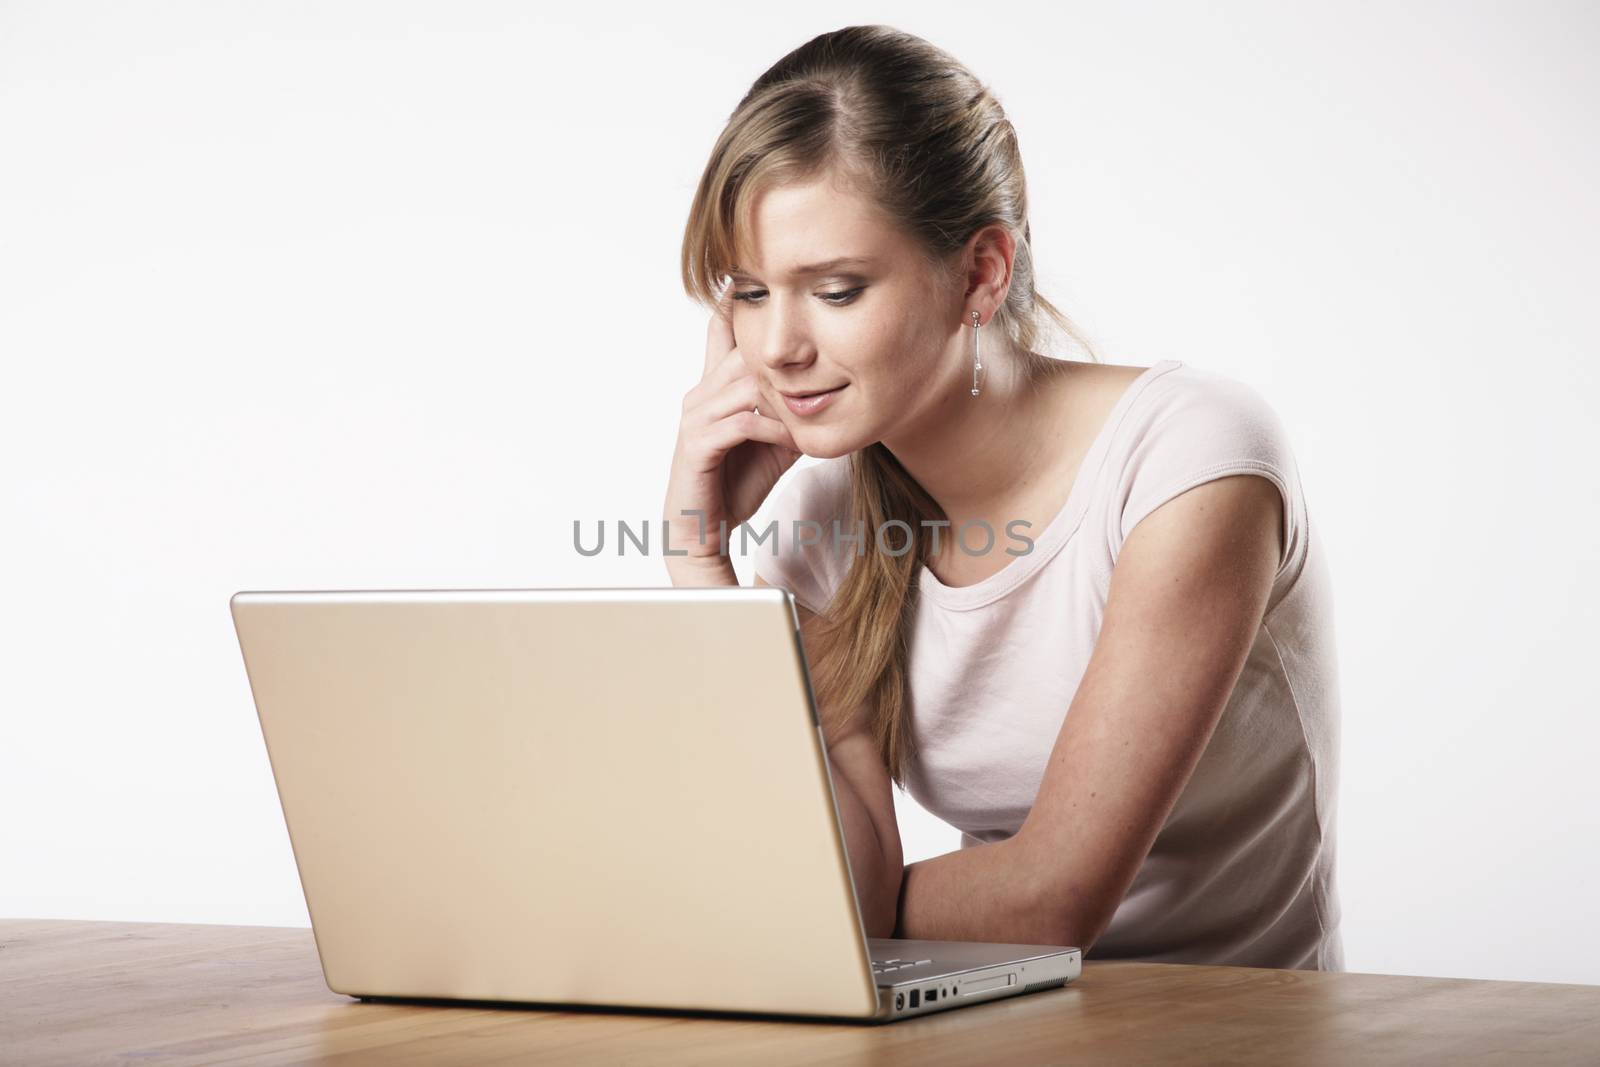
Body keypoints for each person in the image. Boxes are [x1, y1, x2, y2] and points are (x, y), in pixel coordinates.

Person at [661, 24, 1343, 970]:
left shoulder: (1188, 459)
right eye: (746, 291)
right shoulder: (823, 523)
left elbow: (1054, 898)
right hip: (988, 1015)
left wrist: (817, 906)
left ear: (980, 273)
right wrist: (701, 559)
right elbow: (841, 874)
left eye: (837, 289)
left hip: (1232, 1026)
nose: (776, 346)